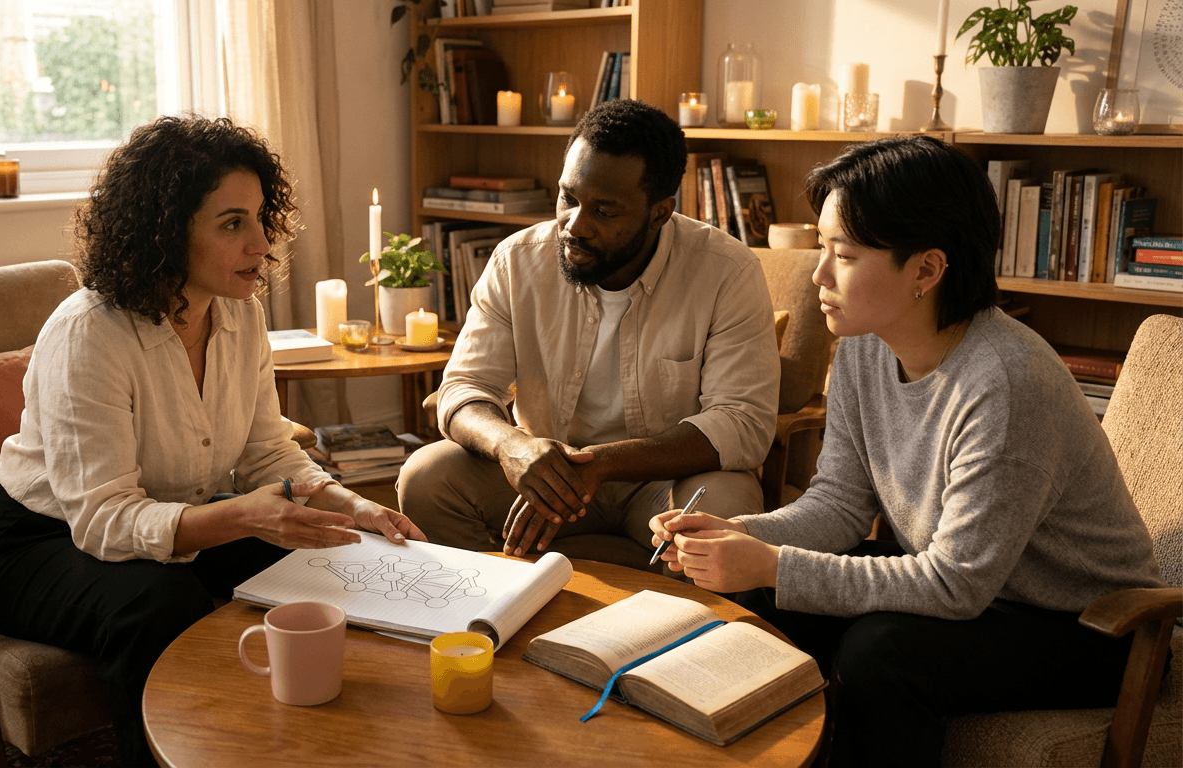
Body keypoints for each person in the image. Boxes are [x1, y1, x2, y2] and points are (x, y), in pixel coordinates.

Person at [648, 135, 1166, 766]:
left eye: (843, 254)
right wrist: (734, 535)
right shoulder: (866, 346)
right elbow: (839, 505)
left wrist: (773, 564)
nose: (817, 274)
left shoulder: (1006, 383)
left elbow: (955, 584)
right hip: (971, 589)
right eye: (821, 247)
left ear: (926, 269)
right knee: (756, 600)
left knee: (880, 653)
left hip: (1090, 629)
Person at [0, 115, 426, 766]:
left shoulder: (240, 312)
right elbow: (100, 519)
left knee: (326, 561)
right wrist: (242, 515)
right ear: (166, 230)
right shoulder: (91, 334)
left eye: (262, 218)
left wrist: (350, 507)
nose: (262, 242)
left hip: (177, 515)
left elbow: (268, 449)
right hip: (38, 540)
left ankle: (317, 744)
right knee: (160, 601)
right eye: (233, 223)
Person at [398, 99, 779, 566]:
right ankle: (503, 606)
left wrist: (599, 465)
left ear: (660, 213)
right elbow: (464, 387)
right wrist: (511, 445)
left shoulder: (728, 271)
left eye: (604, 210)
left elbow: (743, 423)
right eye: (568, 198)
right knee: (426, 477)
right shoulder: (516, 261)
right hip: (545, 474)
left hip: (662, 487)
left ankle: (669, 628)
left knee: (727, 503)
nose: (575, 225)